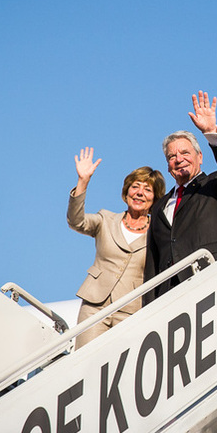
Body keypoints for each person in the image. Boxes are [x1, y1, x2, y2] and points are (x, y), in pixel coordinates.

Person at [144, 90, 217, 300]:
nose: (178, 159)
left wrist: (211, 132)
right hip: (169, 296)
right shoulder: (159, 206)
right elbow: (152, 263)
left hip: (210, 283)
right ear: (168, 166)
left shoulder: (216, 186)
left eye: (185, 153)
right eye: (172, 156)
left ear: (200, 157)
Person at [68, 147, 164, 347]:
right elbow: (76, 221)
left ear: (155, 199)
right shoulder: (106, 219)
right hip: (95, 306)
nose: (139, 193)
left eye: (147, 190)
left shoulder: (158, 233)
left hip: (131, 309)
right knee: (86, 363)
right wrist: (83, 182)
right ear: (126, 191)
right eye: (135, 186)